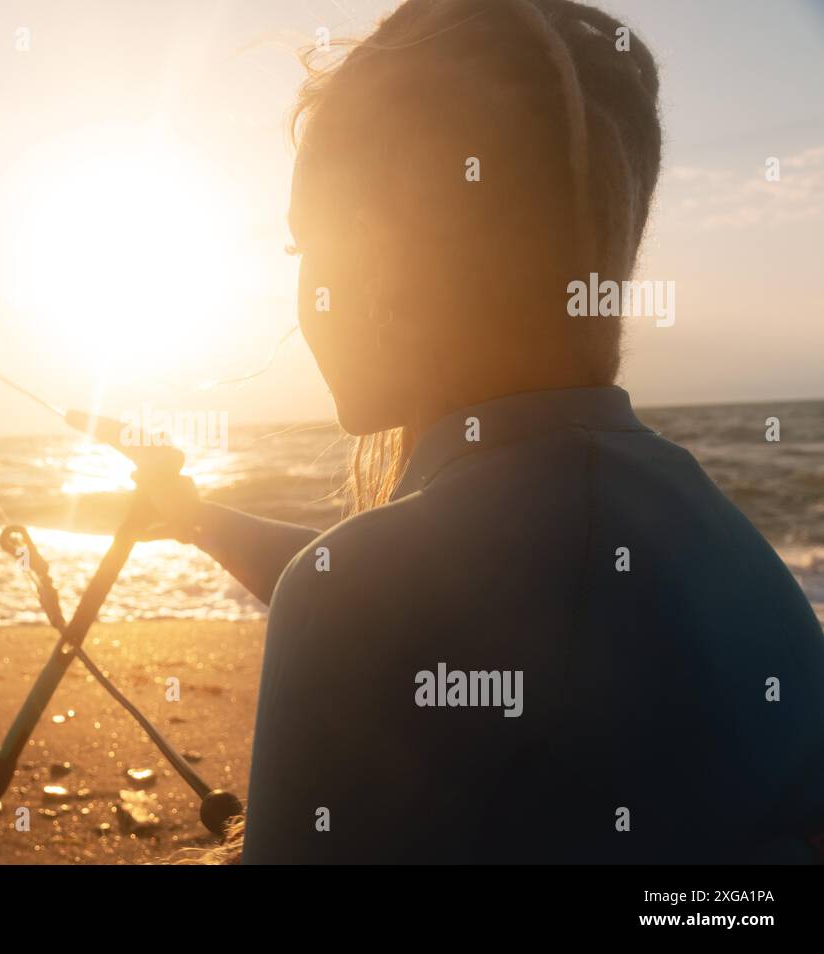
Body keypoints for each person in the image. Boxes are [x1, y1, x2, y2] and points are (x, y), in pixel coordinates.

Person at [146, 0, 824, 863]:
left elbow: (375, 599)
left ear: (376, 256)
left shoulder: (359, 602)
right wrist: (192, 516)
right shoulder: (752, 584)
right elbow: (433, 589)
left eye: (303, 248)